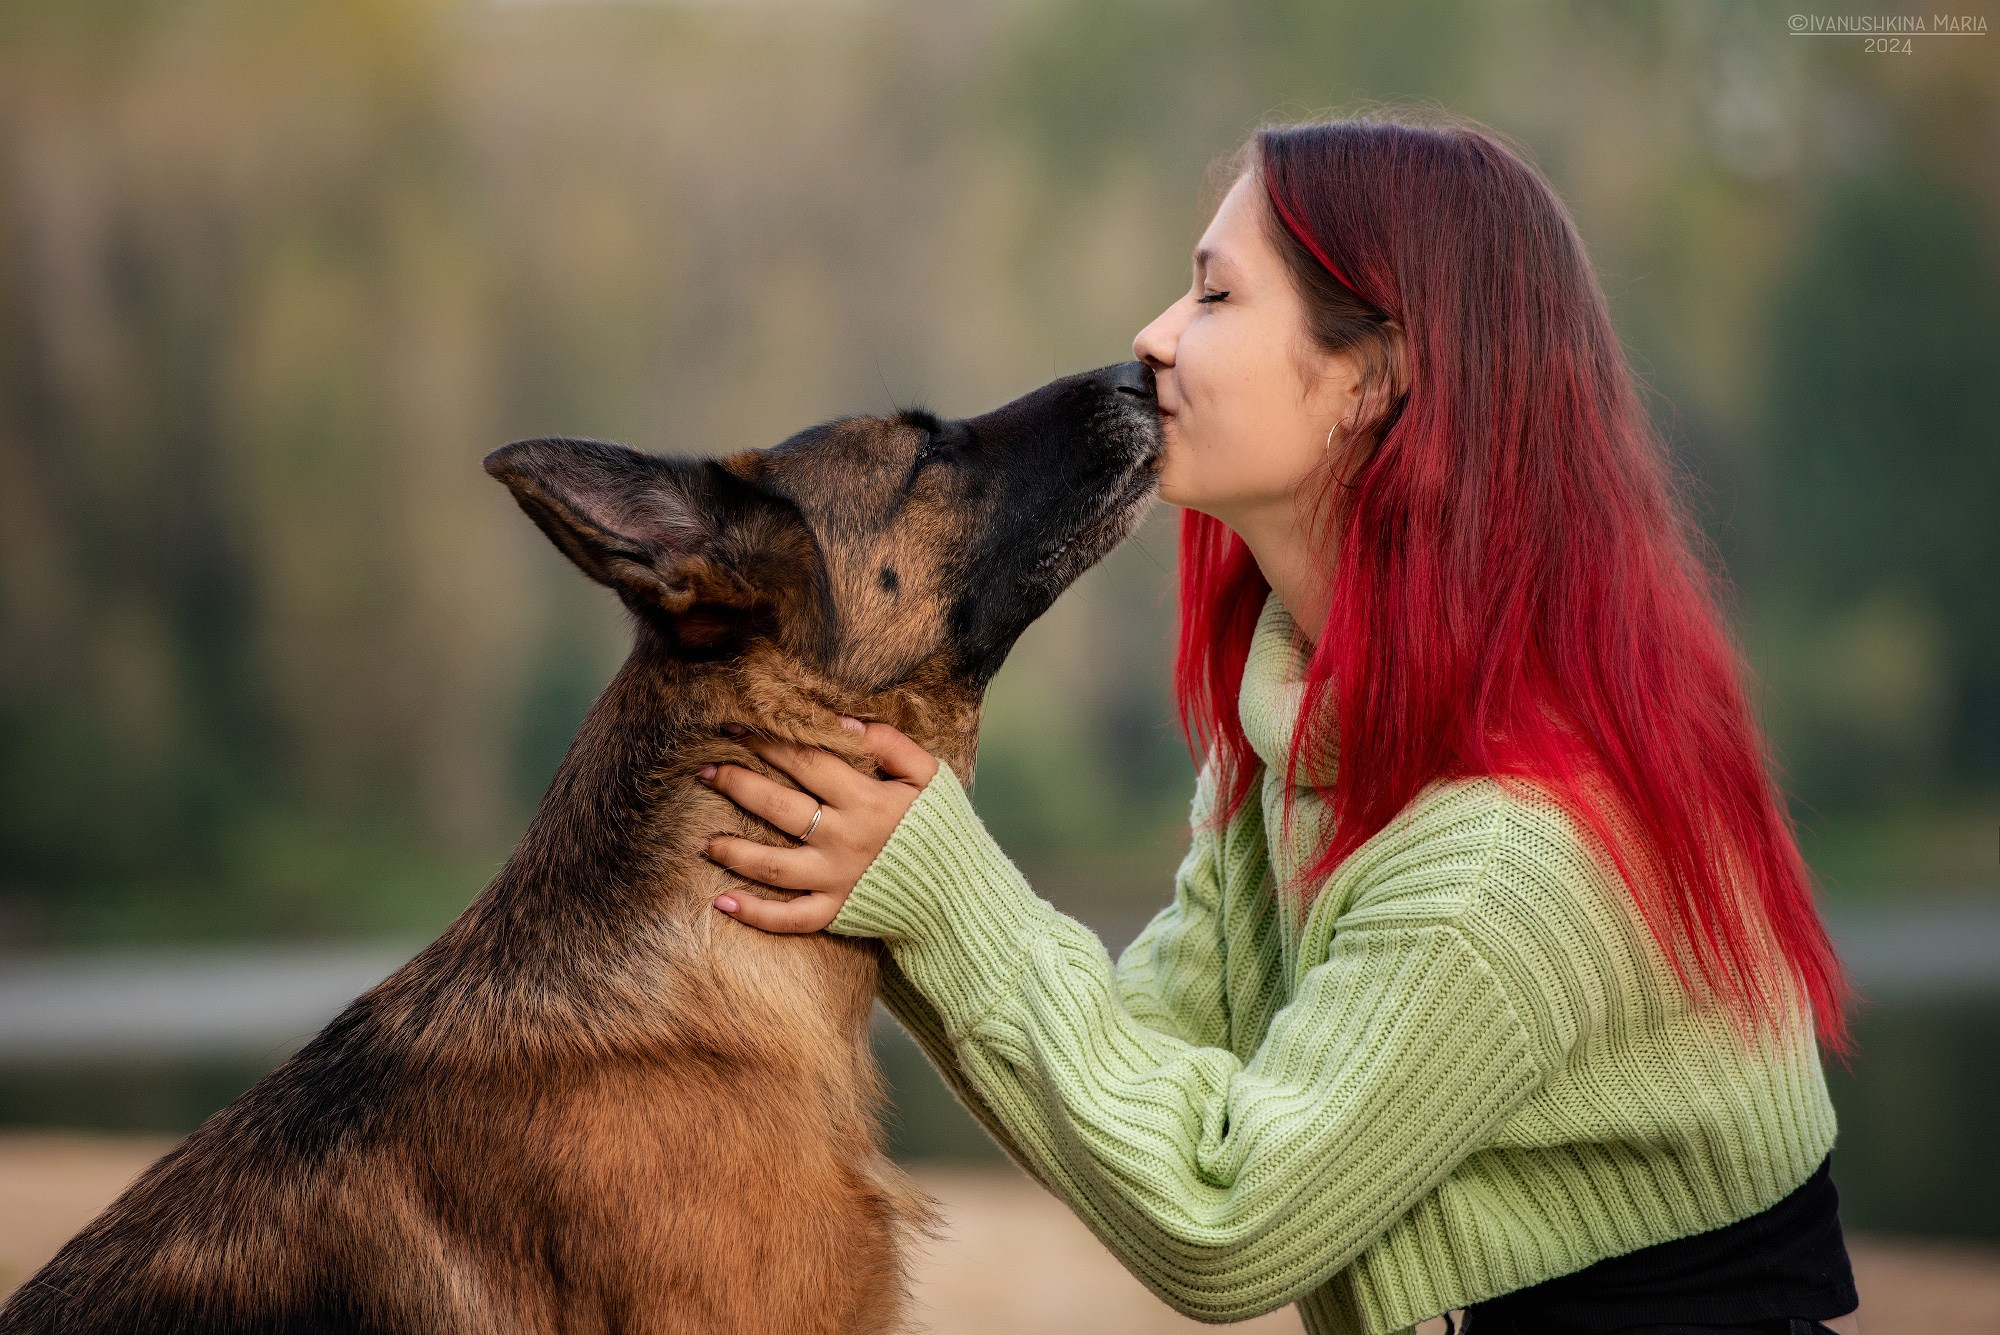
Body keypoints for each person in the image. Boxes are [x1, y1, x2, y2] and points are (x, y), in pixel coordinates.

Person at [695, 112, 1866, 1335]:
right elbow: (1138, 1058)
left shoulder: (1508, 858)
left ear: (1370, 377)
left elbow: (1223, 1213)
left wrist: (942, 896)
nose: (1152, 336)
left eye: (1213, 296)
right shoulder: (1296, 735)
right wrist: (892, 887)